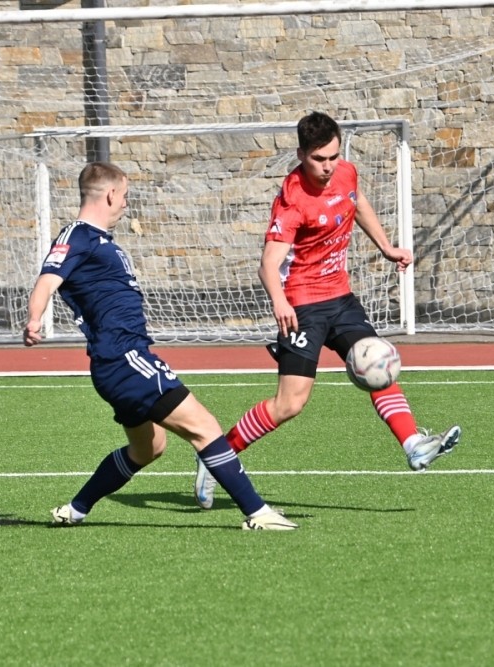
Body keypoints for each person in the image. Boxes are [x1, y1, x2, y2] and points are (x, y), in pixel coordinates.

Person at [194, 111, 462, 510]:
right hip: (302, 305)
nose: (328, 166)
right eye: (319, 159)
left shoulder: (346, 173)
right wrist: (280, 301)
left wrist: (386, 247)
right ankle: (217, 456)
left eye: (333, 157)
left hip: (340, 298)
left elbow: (357, 202)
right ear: (301, 154)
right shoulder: (292, 201)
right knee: (290, 403)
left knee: (375, 361)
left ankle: (413, 444)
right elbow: (268, 264)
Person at [24, 161, 296, 530]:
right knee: (205, 427)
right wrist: (34, 319)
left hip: (118, 361)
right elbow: (47, 279)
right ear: (110, 194)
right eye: (125, 195)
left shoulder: (98, 240)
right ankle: (258, 514)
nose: (126, 203)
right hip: (125, 358)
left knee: (148, 448)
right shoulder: (77, 235)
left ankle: (75, 509)